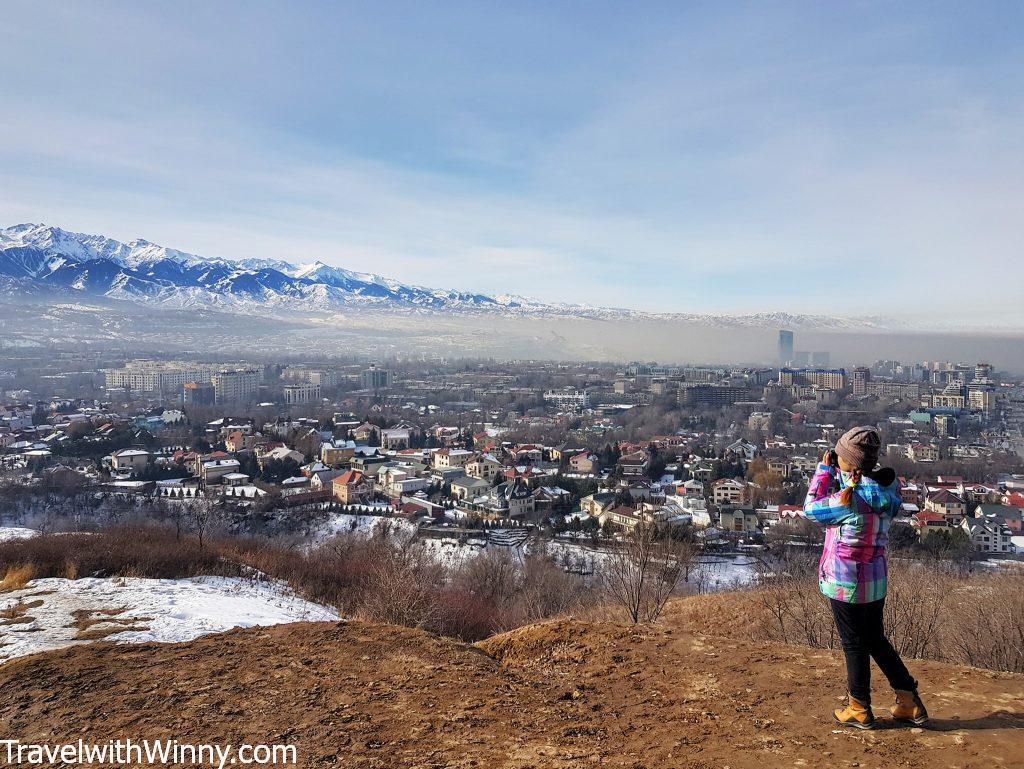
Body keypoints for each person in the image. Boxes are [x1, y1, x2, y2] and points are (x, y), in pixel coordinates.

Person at [802, 425, 928, 729]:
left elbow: (809, 508)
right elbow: (874, 482)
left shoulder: (847, 501)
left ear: (847, 461)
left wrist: (823, 469)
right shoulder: (889, 490)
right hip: (875, 581)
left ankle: (858, 706)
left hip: (845, 582)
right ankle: (909, 700)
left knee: (854, 644)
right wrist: (847, 470)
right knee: (875, 639)